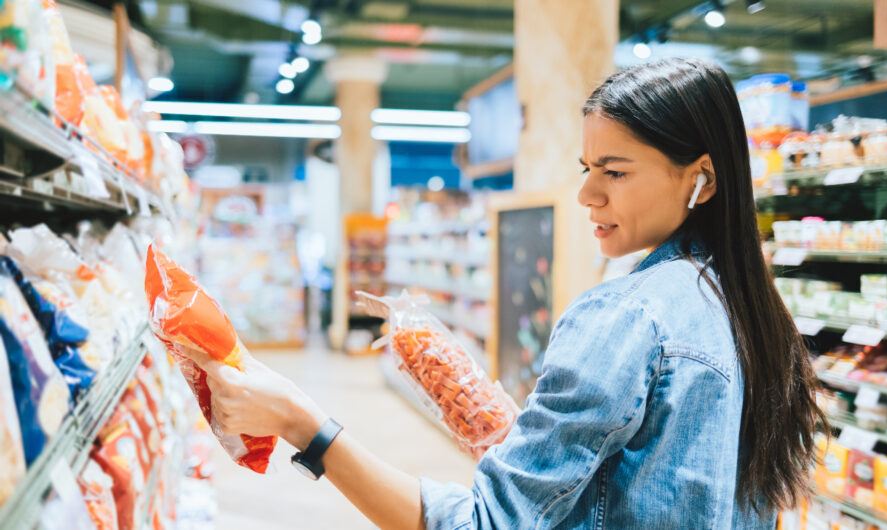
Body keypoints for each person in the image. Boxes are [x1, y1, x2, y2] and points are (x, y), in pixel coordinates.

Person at [202, 58, 824, 528]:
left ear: (702, 180)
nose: (587, 195)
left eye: (616, 172)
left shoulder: (627, 317)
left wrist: (301, 421)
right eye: (588, 170)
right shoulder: (749, 311)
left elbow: (484, 523)